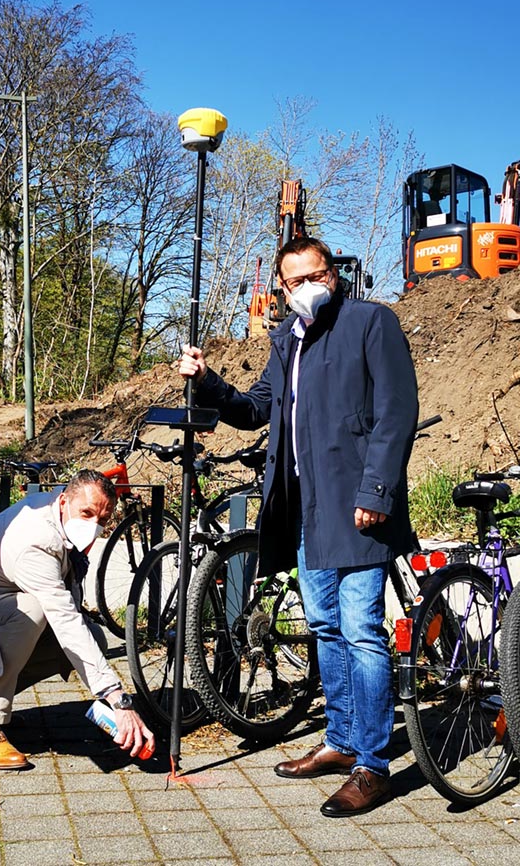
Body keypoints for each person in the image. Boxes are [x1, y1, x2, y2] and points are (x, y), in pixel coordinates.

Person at [179, 236, 418, 818]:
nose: (309, 286)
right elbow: (256, 408)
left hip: (360, 505)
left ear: (331, 273)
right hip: (305, 508)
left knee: (361, 629)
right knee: (324, 626)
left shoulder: (371, 323)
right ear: (281, 290)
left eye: (318, 274)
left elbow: (397, 411)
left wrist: (377, 491)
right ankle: (340, 741)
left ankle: (373, 765)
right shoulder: (287, 339)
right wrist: (207, 381)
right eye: (295, 281)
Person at [0, 469, 156, 769]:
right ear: (64, 501)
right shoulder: (35, 541)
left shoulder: (54, 514)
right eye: (86, 513)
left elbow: (72, 619)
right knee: (33, 610)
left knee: (94, 636)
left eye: (102, 521)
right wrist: (118, 700)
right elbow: (64, 619)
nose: (93, 527)